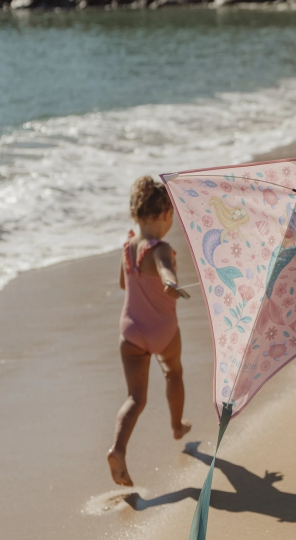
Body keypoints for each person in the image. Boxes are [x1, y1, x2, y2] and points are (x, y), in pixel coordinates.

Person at [107, 176, 192, 486]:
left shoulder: (128, 247)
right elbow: (165, 270)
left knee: (135, 398)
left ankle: (118, 449)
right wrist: (170, 283)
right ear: (166, 214)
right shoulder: (161, 249)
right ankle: (177, 426)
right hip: (162, 332)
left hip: (130, 332)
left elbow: (123, 284)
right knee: (174, 374)